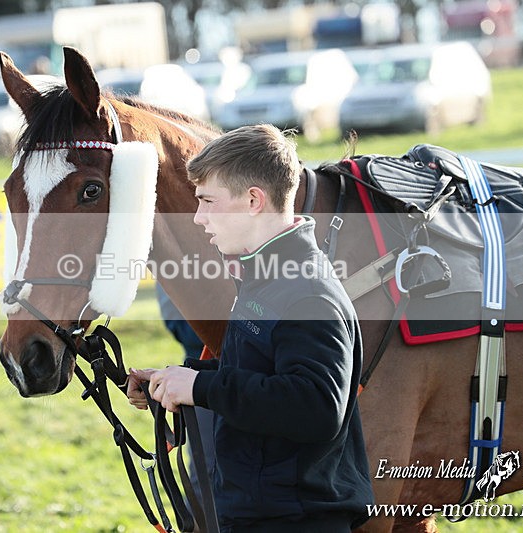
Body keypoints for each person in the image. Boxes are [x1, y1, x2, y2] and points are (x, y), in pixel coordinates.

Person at [128, 124, 373, 532]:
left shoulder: (308, 294)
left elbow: (315, 406)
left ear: (254, 201)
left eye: (207, 201)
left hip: (296, 520)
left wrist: (199, 388)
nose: (199, 217)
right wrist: (176, 379)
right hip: (261, 513)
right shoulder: (265, 276)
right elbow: (261, 376)